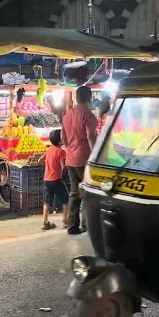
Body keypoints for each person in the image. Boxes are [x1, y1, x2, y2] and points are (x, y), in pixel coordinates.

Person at [61, 85, 98, 235]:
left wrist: (70, 148)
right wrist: (95, 154)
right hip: (85, 158)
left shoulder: (67, 115)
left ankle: (72, 225)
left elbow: (63, 138)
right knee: (89, 191)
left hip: (70, 158)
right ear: (90, 98)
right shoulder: (88, 114)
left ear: (76, 98)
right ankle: (87, 225)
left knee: (74, 192)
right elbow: (91, 136)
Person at [38, 129, 69, 230]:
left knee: (47, 201)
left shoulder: (49, 150)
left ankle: (45, 221)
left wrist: (49, 165)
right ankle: (65, 220)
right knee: (66, 199)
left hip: (47, 179)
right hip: (57, 179)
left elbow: (39, 160)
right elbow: (63, 166)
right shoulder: (61, 152)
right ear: (61, 141)